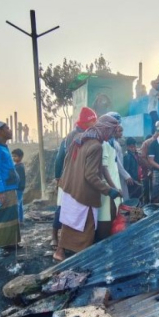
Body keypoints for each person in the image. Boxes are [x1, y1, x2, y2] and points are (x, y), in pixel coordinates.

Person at [53, 115, 120, 262]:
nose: (111, 136)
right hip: (84, 191)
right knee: (87, 226)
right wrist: (109, 190)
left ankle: (60, 252)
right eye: (112, 132)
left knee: (69, 223)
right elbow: (91, 175)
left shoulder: (80, 138)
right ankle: (82, 258)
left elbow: (66, 161)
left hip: (70, 188)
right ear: (105, 130)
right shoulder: (96, 146)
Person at [53, 107, 98, 249]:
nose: (95, 124)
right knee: (63, 209)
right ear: (86, 122)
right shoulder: (72, 136)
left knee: (76, 211)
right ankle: (55, 237)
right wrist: (58, 177)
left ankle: (71, 243)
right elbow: (59, 159)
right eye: (93, 121)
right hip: (69, 178)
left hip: (79, 179)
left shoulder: (88, 134)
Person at [0, 121, 20, 249]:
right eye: (7, 128)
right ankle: (2, 244)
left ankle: (12, 242)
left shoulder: (3, 147)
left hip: (10, 188)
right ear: (0, 132)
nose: (10, 130)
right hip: (4, 189)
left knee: (11, 214)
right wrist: (0, 191)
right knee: (2, 216)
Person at [97, 117, 124, 242]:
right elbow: (104, 168)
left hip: (113, 187)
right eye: (114, 128)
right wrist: (113, 187)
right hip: (108, 189)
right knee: (105, 219)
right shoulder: (103, 144)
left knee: (112, 217)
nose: (115, 131)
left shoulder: (110, 143)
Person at [138, 133, 158, 204]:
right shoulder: (147, 143)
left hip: (153, 173)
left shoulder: (147, 143)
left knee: (150, 193)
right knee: (148, 193)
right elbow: (142, 158)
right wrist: (151, 167)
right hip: (147, 173)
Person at [12, 149, 26, 224]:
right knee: (20, 204)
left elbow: (19, 179)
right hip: (19, 187)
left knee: (17, 204)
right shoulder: (18, 166)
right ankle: (20, 220)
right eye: (13, 156)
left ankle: (17, 220)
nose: (13, 158)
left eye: (15, 156)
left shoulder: (19, 167)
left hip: (18, 188)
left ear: (21, 157)